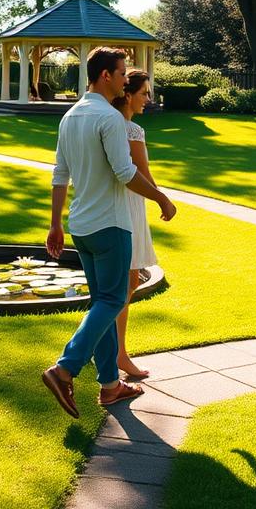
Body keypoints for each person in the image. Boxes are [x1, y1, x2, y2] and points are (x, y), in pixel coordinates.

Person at [42, 48, 177, 418]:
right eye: (121, 74)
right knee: (113, 299)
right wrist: (162, 198)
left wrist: (55, 224)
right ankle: (65, 369)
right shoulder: (110, 118)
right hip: (111, 225)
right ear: (105, 75)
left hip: (80, 227)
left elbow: (59, 174)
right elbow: (125, 172)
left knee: (101, 302)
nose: (124, 80)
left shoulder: (70, 116)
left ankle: (110, 385)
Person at [111, 69, 157, 379]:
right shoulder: (131, 130)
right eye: (143, 93)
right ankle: (118, 353)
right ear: (128, 95)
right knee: (126, 281)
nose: (147, 99)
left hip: (121, 203)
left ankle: (113, 350)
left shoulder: (110, 125)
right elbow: (142, 172)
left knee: (127, 281)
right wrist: (162, 199)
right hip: (129, 206)